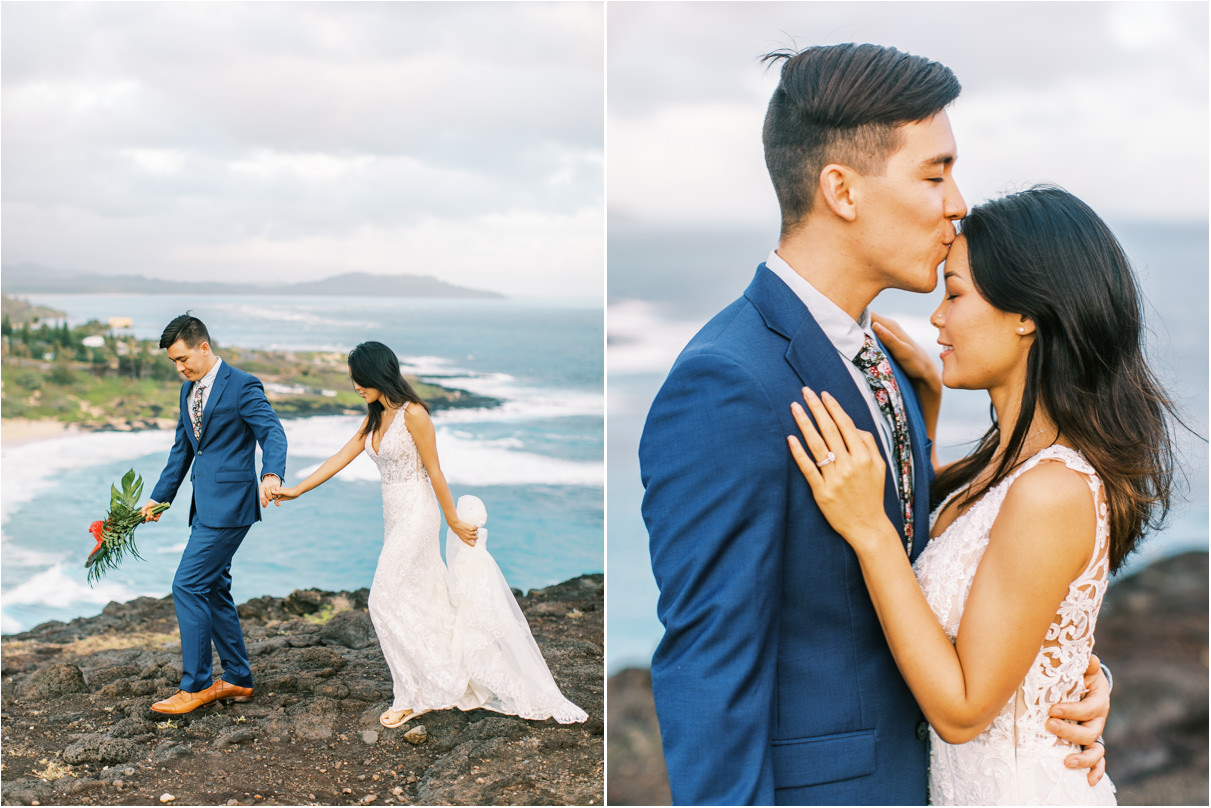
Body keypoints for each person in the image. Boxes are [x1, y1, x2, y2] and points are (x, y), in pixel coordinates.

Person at [639, 44, 1108, 805]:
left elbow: (940, 569)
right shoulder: (727, 382)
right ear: (841, 190)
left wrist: (1065, 669)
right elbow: (707, 664)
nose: (957, 202)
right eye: (934, 174)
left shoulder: (884, 361)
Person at [789, 186, 1176, 805]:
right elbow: (977, 557)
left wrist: (870, 530)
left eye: (955, 293)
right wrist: (926, 423)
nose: (938, 318)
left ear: (1026, 313)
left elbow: (965, 710)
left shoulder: (1052, 489)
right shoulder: (1002, 466)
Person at [272, 341, 587, 726]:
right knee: (419, 597)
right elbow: (343, 454)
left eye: (359, 378)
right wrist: (297, 489)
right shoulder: (375, 415)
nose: (354, 385)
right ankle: (438, 677)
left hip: (418, 515)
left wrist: (452, 518)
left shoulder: (414, 414)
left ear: (378, 374)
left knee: (381, 600)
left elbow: (434, 471)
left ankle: (410, 695)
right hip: (394, 513)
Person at [141, 312, 287, 715]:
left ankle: (197, 685)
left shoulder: (242, 385)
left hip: (233, 506)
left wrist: (271, 473)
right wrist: (159, 499)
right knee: (213, 587)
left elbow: (272, 432)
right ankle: (237, 677)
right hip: (201, 505)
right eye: (173, 362)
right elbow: (183, 450)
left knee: (187, 585)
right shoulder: (188, 392)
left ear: (204, 347)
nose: (179, 367)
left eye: (183, 358)